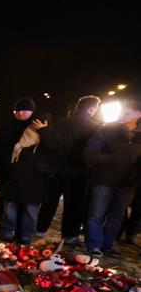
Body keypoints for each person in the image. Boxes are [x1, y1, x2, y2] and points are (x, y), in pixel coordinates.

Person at [37, 96, 101, 244]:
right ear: (92, 109)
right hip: (80, 171)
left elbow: (51, 145)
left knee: (49, 202)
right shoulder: (94, 127)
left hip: (58, 169)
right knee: (74, 205)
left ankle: (40, 228)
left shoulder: (62, 123)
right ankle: (70, 235)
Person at [83, 105, 141, 258]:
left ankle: (108, 244)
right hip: (103, 180)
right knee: (96, 214)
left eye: (128, 112)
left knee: (117, 216)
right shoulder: (106, 130)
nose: (123, 114)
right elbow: (89, 154)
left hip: (128, 183)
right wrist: (111, 158)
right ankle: (94, 244)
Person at [0, 110, 57, 245]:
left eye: (41, 122)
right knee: (10, 205)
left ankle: (26, 235)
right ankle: (7, 231)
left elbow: (52, 148)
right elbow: (9, 149)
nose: (36, 124)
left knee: (30, 209)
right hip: (17, 176)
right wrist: (11, 166)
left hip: (36, 179)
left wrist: (44, 131)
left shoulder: (50, 135)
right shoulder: (22, 133)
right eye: (35, 121)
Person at [0, 97, 42, 230]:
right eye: (17, 110)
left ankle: (20, 229)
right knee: (3, 201)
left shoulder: (34, 128)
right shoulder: (6, 126)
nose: (20, 113)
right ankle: (3, 226)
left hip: (24, 173)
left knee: (22, 202)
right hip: (3, 171)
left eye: (24, 110)